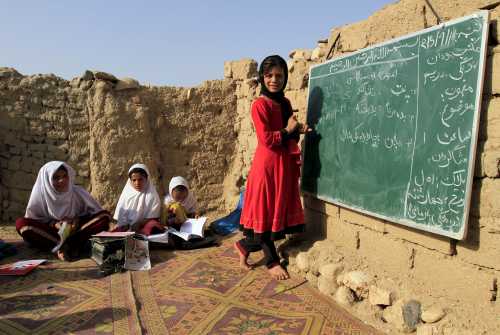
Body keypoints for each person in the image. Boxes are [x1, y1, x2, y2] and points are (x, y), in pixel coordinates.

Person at [235, 55, 309, 280]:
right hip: (266, 167)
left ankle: (244, 246)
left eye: (279, 75)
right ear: (262, 77)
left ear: (285, 77)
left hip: (282, 165)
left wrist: (300, 129)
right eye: (269, 75)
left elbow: (288, 130)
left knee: (273, 214)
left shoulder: (284, 103)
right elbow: (267, 139)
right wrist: (288, 129)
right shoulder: (259, 105)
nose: (274, 80)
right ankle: (271, 262)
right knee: (265, 215)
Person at [16, 161, 110, 261]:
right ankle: (64, 246)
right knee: (22, 224)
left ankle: (67, 245)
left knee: (104, 216)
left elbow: (94, 212)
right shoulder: (40, 195)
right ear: (47, 180)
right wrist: (54, 224)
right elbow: (34, 219)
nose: (62, 180)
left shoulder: (76, 192)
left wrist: (76, 220)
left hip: (76, 231)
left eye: (65, 176)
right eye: (56, 178)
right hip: (51, 233)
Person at [113, 163, 163, 235]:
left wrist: (139, 224)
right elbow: (121, 218)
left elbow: (153, 217)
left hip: (143, 226)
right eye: (134, 180)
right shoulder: (126, 195)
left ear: (146, 179)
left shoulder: (152, 196)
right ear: (130, 181)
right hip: (127, 228)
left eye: (140, 179)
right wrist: (125, 225)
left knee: (152, 225)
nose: (137, 183)